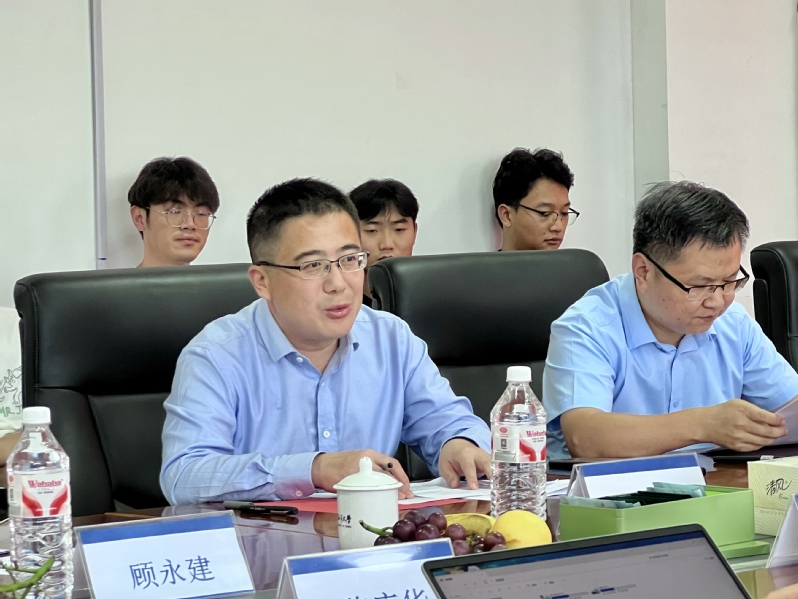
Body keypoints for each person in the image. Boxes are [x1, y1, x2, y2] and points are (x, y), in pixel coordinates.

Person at [159, 178, 491, 505]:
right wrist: (314, 470)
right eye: (313, 265)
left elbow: (448, 421)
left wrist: (459, 445)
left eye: (350, 259)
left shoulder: (392, 339)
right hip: (261, 538)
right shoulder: (216, 355)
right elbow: (184, 476)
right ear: (262, 282)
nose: (338, 284)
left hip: (373, 534)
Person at [543, 180, 798, 459]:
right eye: (699, 286)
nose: (717, 301)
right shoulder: (586, 328)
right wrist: (704, 424)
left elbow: (790, 410)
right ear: (643, 271)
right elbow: (585, 437)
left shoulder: (733, 324)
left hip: (717, 481)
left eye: (729, 282)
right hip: (613, 486)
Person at [128, 156, 220, 268]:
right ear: (139, 218)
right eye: (175, 211)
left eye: (201, 213)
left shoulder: (229, 279)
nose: (190, 224)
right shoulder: (115, 280)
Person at [349, 179, 419, 307]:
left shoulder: (432, 298)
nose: (387, 244)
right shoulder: (342, 305)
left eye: (399, 229)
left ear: (414, 232)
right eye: (371, 230)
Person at [493, 148, 578, 252]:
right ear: (506, 215)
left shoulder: (581, 262)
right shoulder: (479, 263)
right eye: (544, 213)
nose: (558, 227)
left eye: (564, 213)